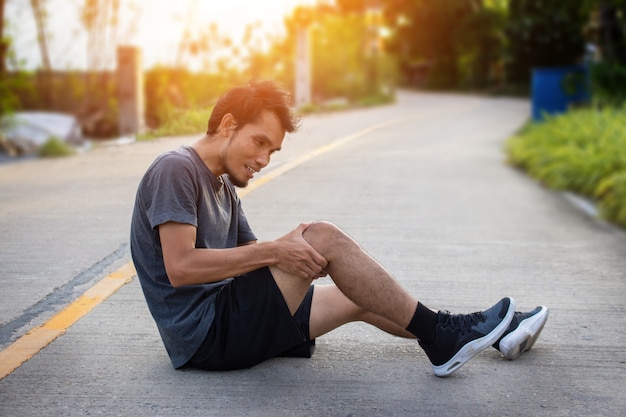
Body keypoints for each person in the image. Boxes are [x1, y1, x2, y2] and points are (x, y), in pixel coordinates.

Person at [130, 80, 548, 377]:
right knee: (321, 235)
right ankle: (446, 337)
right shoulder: (176, 170)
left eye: (272, 151)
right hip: (208, 336)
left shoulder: (224, 185)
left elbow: (251, 258)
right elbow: (180, 267)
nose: (264, 160)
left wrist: (292, 257)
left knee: (359, 293)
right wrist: (288, 250)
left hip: (232, 319)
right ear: (226, 125)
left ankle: (487, 333)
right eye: (259, 142)